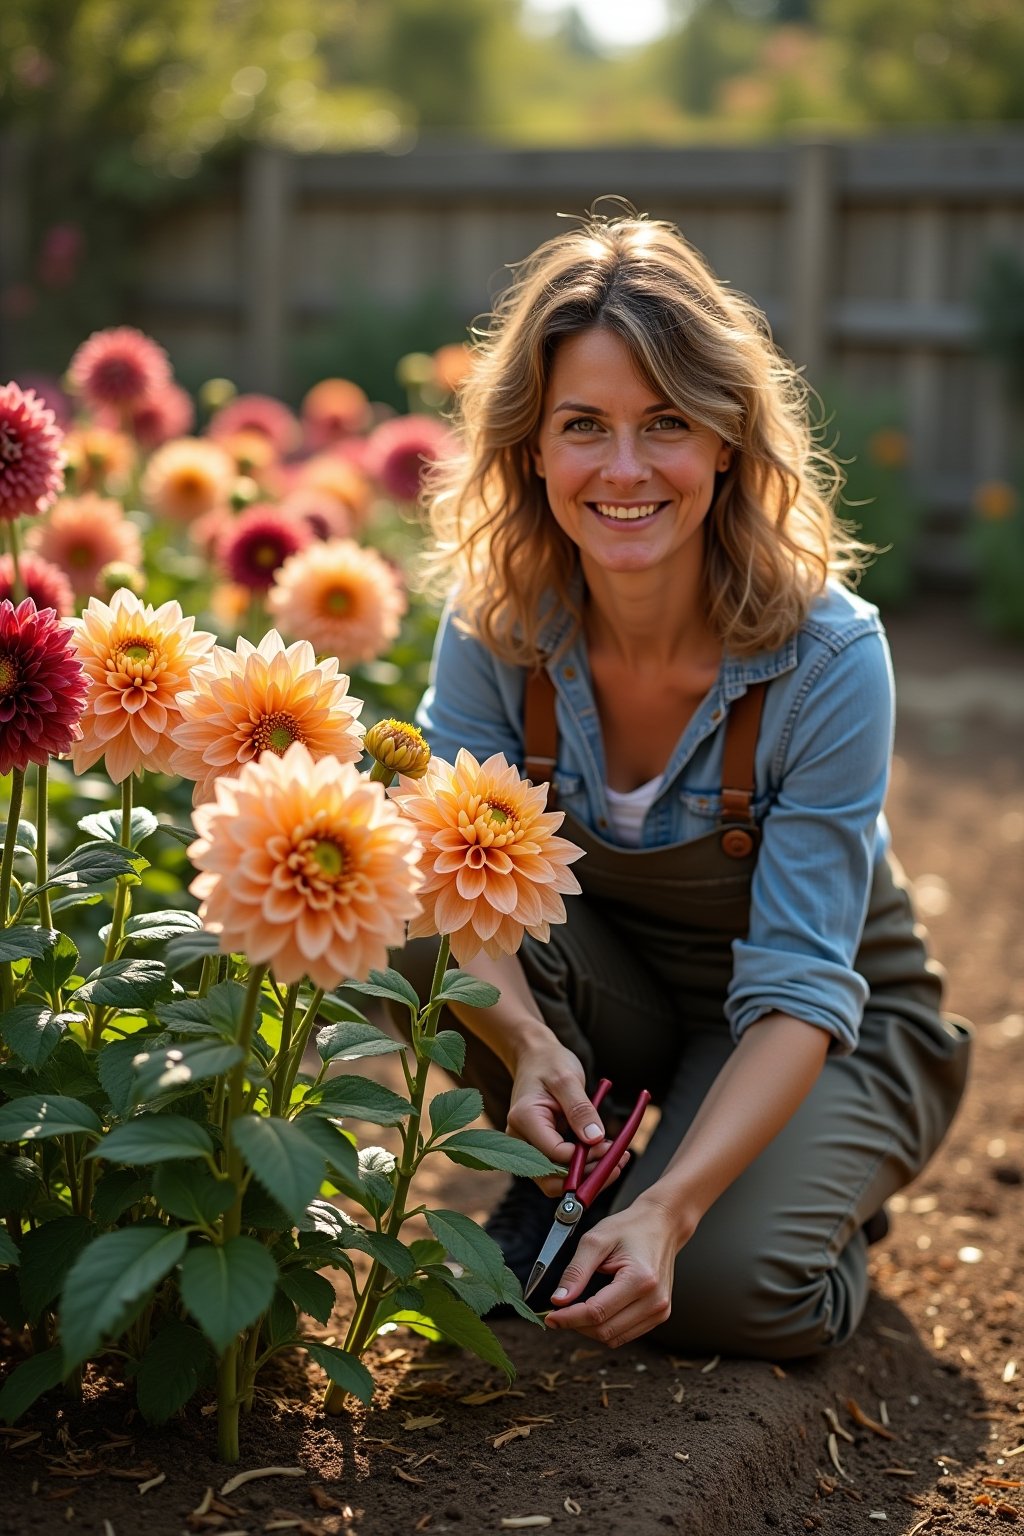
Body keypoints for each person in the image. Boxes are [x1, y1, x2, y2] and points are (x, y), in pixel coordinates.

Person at [400, 201, 971, 1359]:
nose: (623, 468)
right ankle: (578, 1164)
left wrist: (676, 1207)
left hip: (821, 1025)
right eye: (582, 425)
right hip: (630, 1004)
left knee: (727, 1294)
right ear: (530, 446)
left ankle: (790, 1196)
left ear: (725, 439)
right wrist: (523, 1041)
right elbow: (455, 886)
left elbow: (804, 984)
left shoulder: (827, 657)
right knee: (418, 937)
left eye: (663, 422)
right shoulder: (499, 622)